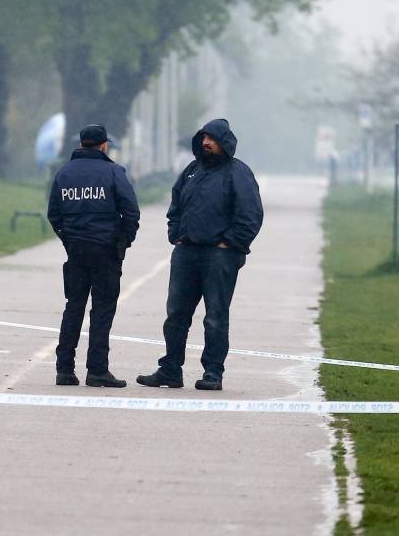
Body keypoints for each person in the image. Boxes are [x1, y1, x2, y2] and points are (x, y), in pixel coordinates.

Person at [137, 118, 263, 392]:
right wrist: (177, 234)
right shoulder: (192, 171)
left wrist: (229, 243)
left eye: (212, 138)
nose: (206, 142)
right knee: (176, 316)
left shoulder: (238, 173)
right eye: (203, 137)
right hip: (186, 253)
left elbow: (251, 215)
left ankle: (213, 373)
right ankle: (170, 370)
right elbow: (176, 205)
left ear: (224, 142)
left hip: (220, 257)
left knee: (215, 317)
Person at [47, 124, 140, 387]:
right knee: (102, 311)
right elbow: (131, 212)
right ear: (103, 146)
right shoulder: (114, 172)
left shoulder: (63, 173)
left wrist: (69, 239)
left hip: (76, 251)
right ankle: (97, 370)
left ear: (80, 144)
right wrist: (123, 241)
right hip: (105, 251)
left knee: (73, 307)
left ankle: (64, 369)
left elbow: (54, 214)